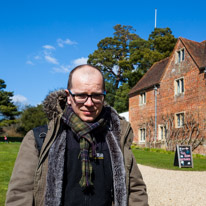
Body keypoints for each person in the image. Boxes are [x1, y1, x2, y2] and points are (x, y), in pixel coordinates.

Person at [6, 64, 148, 206]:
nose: (89, 103)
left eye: (96, 95)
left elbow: (135, 189)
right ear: (68, 97)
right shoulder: (38, 139)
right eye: (81, 95)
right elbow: (19, 194)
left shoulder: (117, 137)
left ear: (104, 95)